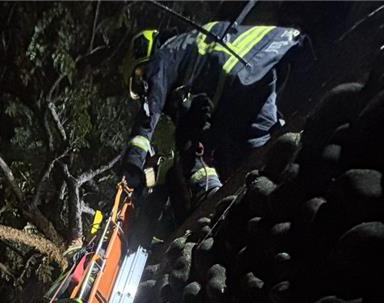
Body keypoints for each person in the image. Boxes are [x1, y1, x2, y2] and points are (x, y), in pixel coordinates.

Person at [120, 22, 305, 207]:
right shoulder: (188, 49)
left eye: (140, 79)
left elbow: (151, 107)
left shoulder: (164, 55)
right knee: (263, 147)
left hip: (237, 75)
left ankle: (211, 197)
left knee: (192, 137)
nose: (144, 86)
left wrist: (133, 162)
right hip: (261, 62)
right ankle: (295, 183)